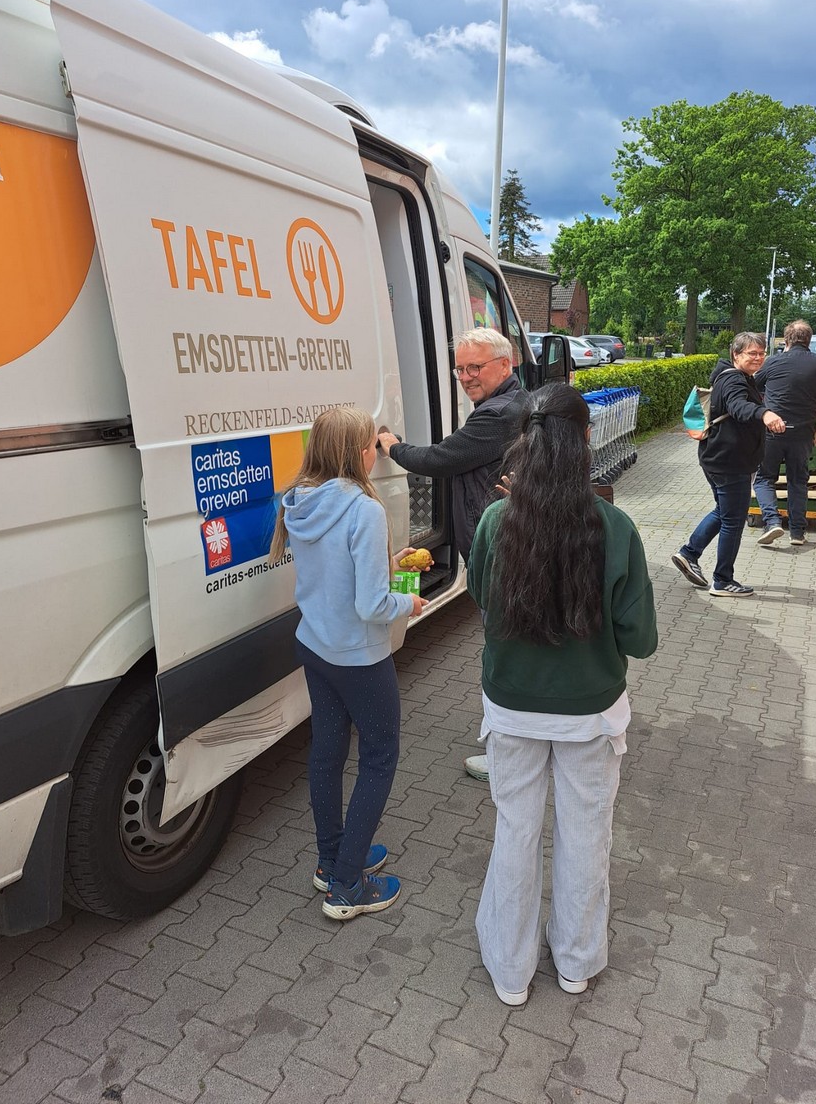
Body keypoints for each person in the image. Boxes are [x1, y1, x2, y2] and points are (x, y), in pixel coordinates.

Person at [466, 384, 658, 1005]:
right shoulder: (615, 526)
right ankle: (576, 962)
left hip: (511, 706)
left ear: (523, 441)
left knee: (515, 834)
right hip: (592, 712)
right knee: (585, 836)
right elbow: (641, 638)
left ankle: (510, 970)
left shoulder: (496, 521)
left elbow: (481, 599)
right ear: (586, 439)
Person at [269, 406, 427, 921]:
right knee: (379, 757)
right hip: (359, 657)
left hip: (315, 646)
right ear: (358, 453)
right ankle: (347, 886)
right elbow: (371, 605)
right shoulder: (363, 509)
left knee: (327, 752)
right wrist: (409, 602)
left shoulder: (300, 500)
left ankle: (331, 858)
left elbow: (336, 574)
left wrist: (387, 565)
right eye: (372, 445)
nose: (376, 452)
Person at [377, 327, 528, 783]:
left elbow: (439, 459)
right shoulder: (514, 402)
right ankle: (518, 740)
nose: (465, 377)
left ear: (505, 364)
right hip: (509, 549)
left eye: (474, 367)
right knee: (511, 652)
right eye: (460, 369)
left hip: (500, 556)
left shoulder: (497, 414)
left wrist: (391, 445)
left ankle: (509, 756)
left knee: (504, 658)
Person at [671, 332, 785, 597]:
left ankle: (689, 553)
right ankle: (723, 580)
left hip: (718, 458)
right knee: (733, 520)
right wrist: (764, 413)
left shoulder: (737, 376)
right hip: (730, 463)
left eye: (762, 353)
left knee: (724, 511)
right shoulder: (734, 380)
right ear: (736, 354)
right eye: (752, 353)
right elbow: (738, 407)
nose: (758, 358)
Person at [752, 319, 816, 546]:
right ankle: (797, 533)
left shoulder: (773, 362)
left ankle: (772, 522)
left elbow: (753, 387)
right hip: (803, 432)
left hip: (772, 430)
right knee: (798, 481)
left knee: (764, 478)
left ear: (786, 340)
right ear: (809, 340)